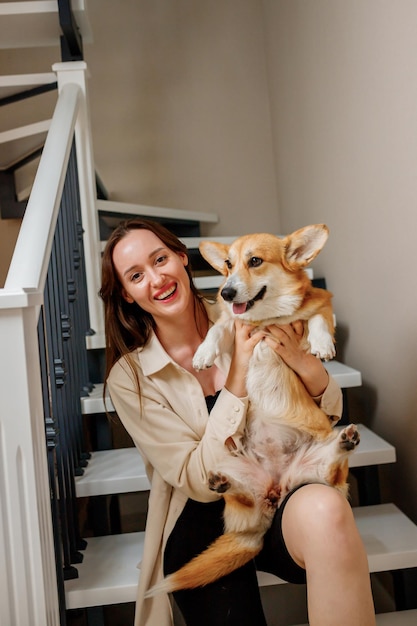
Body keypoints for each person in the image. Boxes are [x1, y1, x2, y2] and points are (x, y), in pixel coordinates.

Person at [100, 218, 376, 626]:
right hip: (202, 514)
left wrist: (303, 361)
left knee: (328, 510)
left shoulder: (254, 302)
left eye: (161, 259)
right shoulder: (131, 377)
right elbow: (196, 477)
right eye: (137, 275)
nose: (156, 279)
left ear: (182, 258)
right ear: (126, 292)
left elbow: (329, 410)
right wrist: (237, 376)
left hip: (283, 482)